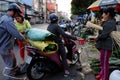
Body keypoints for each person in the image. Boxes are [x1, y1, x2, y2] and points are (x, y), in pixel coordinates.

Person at [0, 3, 26, 80]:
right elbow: (16, 33)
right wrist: (24, 40)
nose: (17, 15)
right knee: (10, 66)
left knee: (13, 60)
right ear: (13, 11)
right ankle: (9, 78)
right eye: (17, 13)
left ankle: (17, 72)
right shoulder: (7, 20)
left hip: (6, 46)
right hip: (5, 47)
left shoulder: (4, 17)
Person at [95, 7, 116, 80]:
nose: (102, 15)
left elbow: (104, 35)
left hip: (107, 46)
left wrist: (97, 38)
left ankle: (104, 78)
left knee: (105, 63)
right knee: (102, 61)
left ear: (108, 14)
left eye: (104, 13)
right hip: (104, 45)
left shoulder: (110, 23)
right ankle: (101, 74)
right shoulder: (108, 22)